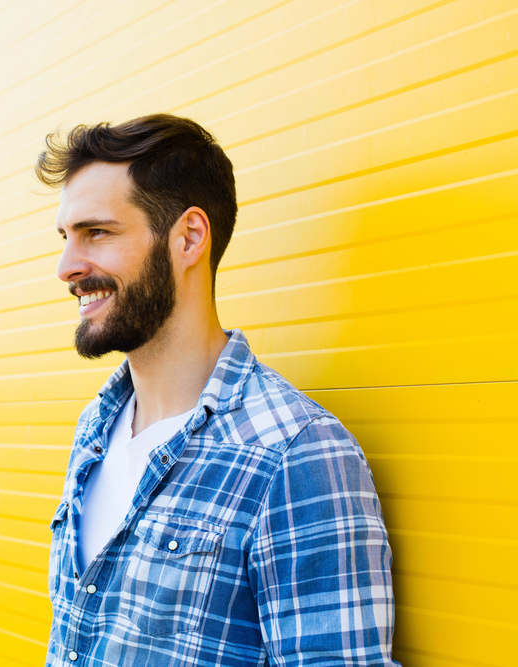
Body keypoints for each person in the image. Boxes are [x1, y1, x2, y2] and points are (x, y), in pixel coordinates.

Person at [36, 114, 398, 666]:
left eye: (97, 233)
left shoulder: (295, 454)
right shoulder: (96, 427)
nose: (67, 266)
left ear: (189, 237)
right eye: (67, 238)